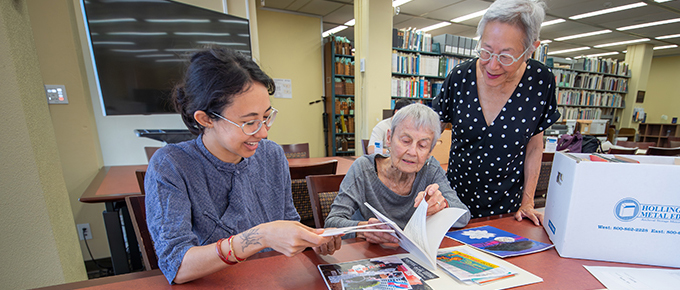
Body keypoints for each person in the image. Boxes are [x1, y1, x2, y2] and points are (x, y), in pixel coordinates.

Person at [145, 47, 341, 284]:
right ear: (206, 119)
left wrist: (311, 241)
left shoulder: (272, 155)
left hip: (272, 280)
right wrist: (262, 236)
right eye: (249, 122)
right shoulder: (171, 165)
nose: (264, 132)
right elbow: (176, 266)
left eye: (266, 117)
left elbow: (288, 223)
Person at [432, 0, 560, 225]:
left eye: (506, 57)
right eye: (486, 51)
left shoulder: (541, 81)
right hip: (452, 204)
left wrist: (528, 202)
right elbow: (431, 134)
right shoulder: (460, 77)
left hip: (507, 211)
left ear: (531, 49)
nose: (492, 65)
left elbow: (534, 146)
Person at [325, 104, 471, 244]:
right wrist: (364, 230)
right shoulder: (363, 169)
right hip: (370, 256)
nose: (412, 152)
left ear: (429, 152)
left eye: (422, 145)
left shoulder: (430, 168)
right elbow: (332, 222)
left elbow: (463, 216)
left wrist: (442, 206)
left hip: (413, 256)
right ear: (389, 138)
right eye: (406, 141)